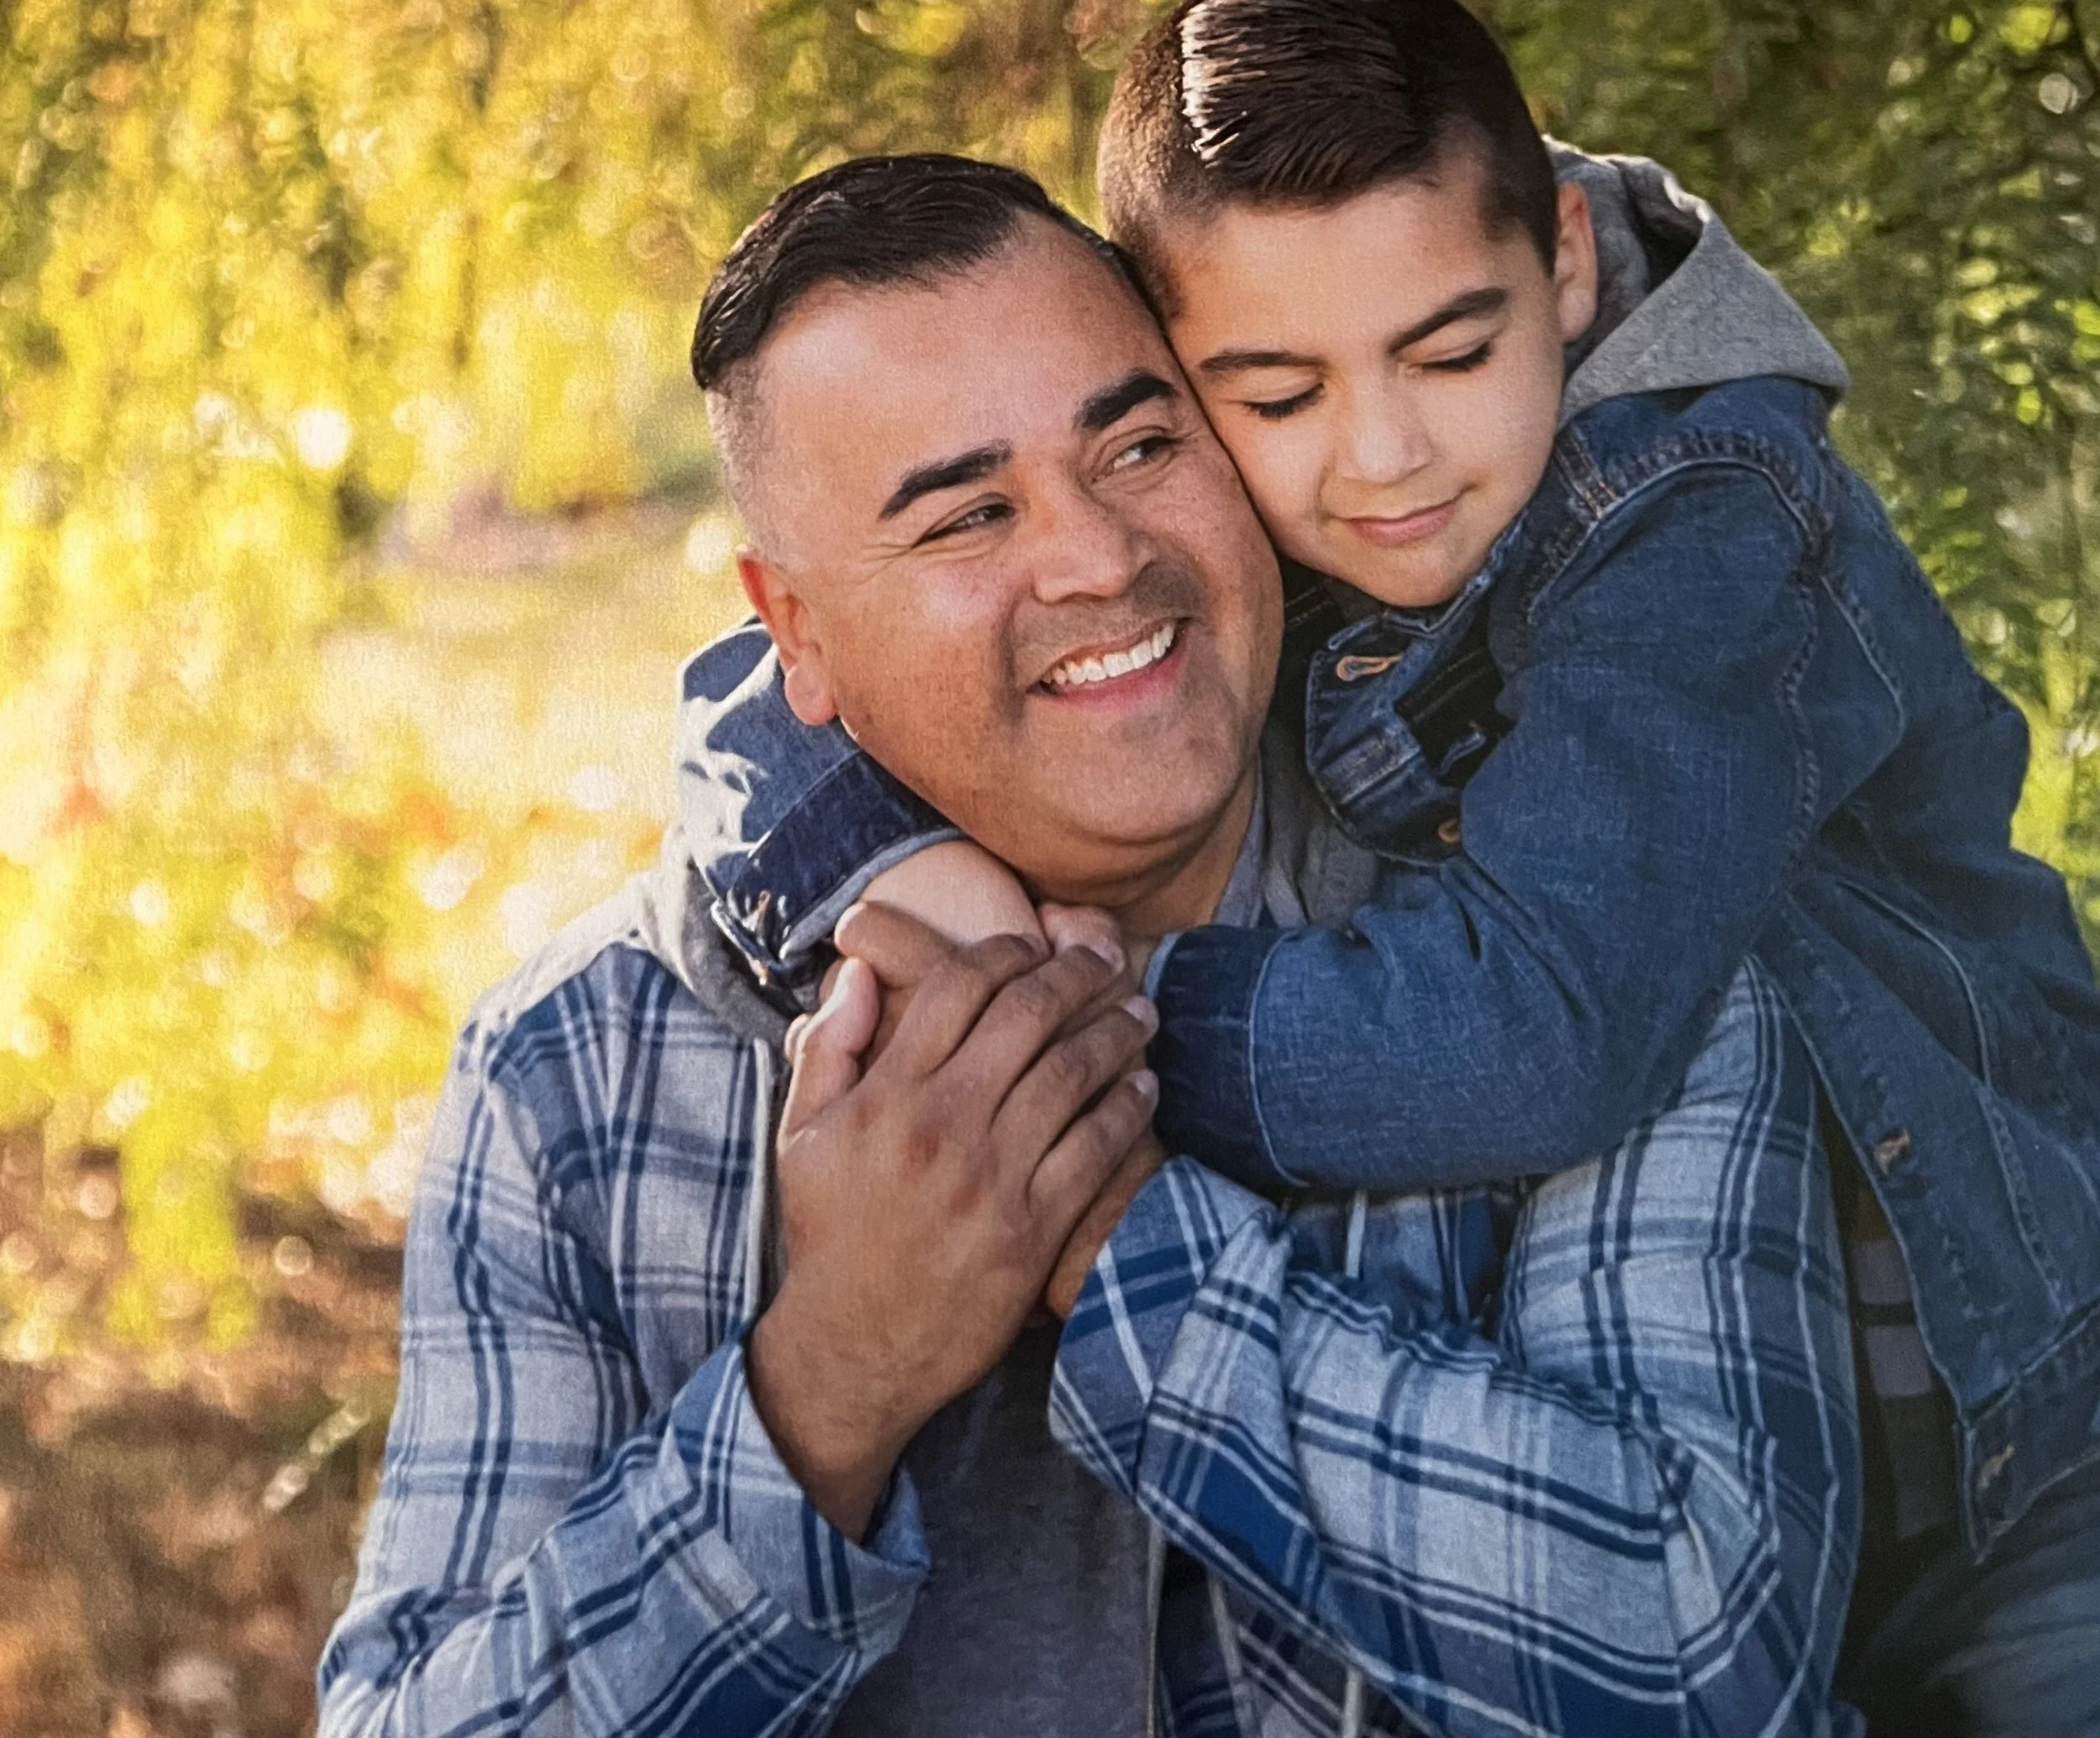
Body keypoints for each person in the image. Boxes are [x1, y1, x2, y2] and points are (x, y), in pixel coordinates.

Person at [673, 3, 2100, 1733]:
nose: (1380, 457)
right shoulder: (1292, 508)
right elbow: (780, 682)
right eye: (1269, 394)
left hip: (2022, 1429)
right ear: (1177, 365)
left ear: (1562, 263)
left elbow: (1528, 1035)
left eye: (1445, 353)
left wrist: (1066, 1019)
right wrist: (892, 866)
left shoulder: (1702, 520)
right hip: (1823, 1451)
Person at [320, 159, 1866, 1737]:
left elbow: (1707, 1655)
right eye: (969, 514)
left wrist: (1120, 1249)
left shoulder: (1569, 935)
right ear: (791, 630)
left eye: (1138, 444)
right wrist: (833, 1382)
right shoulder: (587, 1067)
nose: (1099, 557)